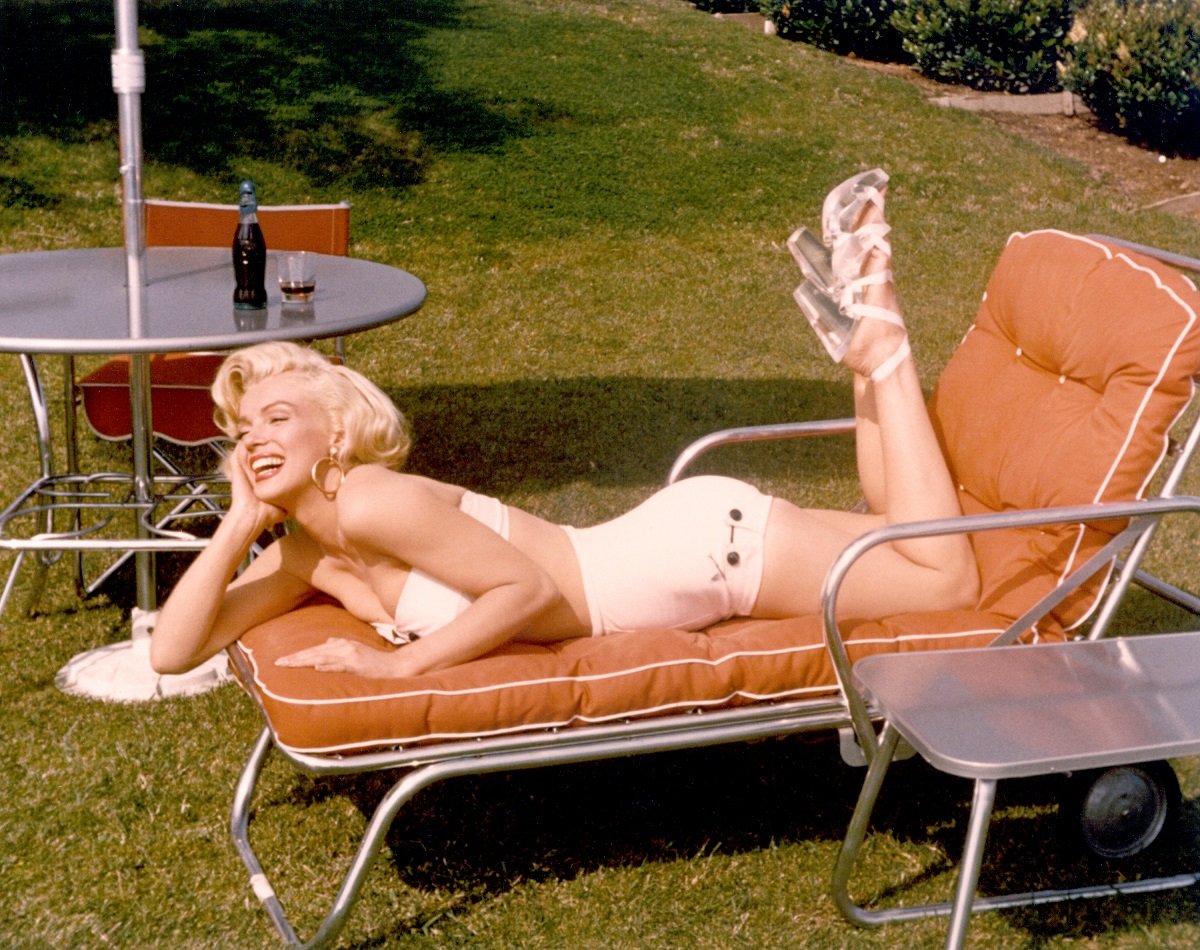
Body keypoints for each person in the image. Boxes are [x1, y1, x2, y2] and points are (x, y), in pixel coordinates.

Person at [151, 171, 979, 680]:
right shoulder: (308, 549)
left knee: (948, 587)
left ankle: (880, 341)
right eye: (242, 428)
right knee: (901, 534)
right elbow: (173, 652)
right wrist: (235, 526)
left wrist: (396, 665)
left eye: (278, 417)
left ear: (333, 437)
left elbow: (529, 591)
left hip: (683, 562)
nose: (253, 438)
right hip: (675, 546)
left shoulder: (370, 502)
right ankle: (869, 342)